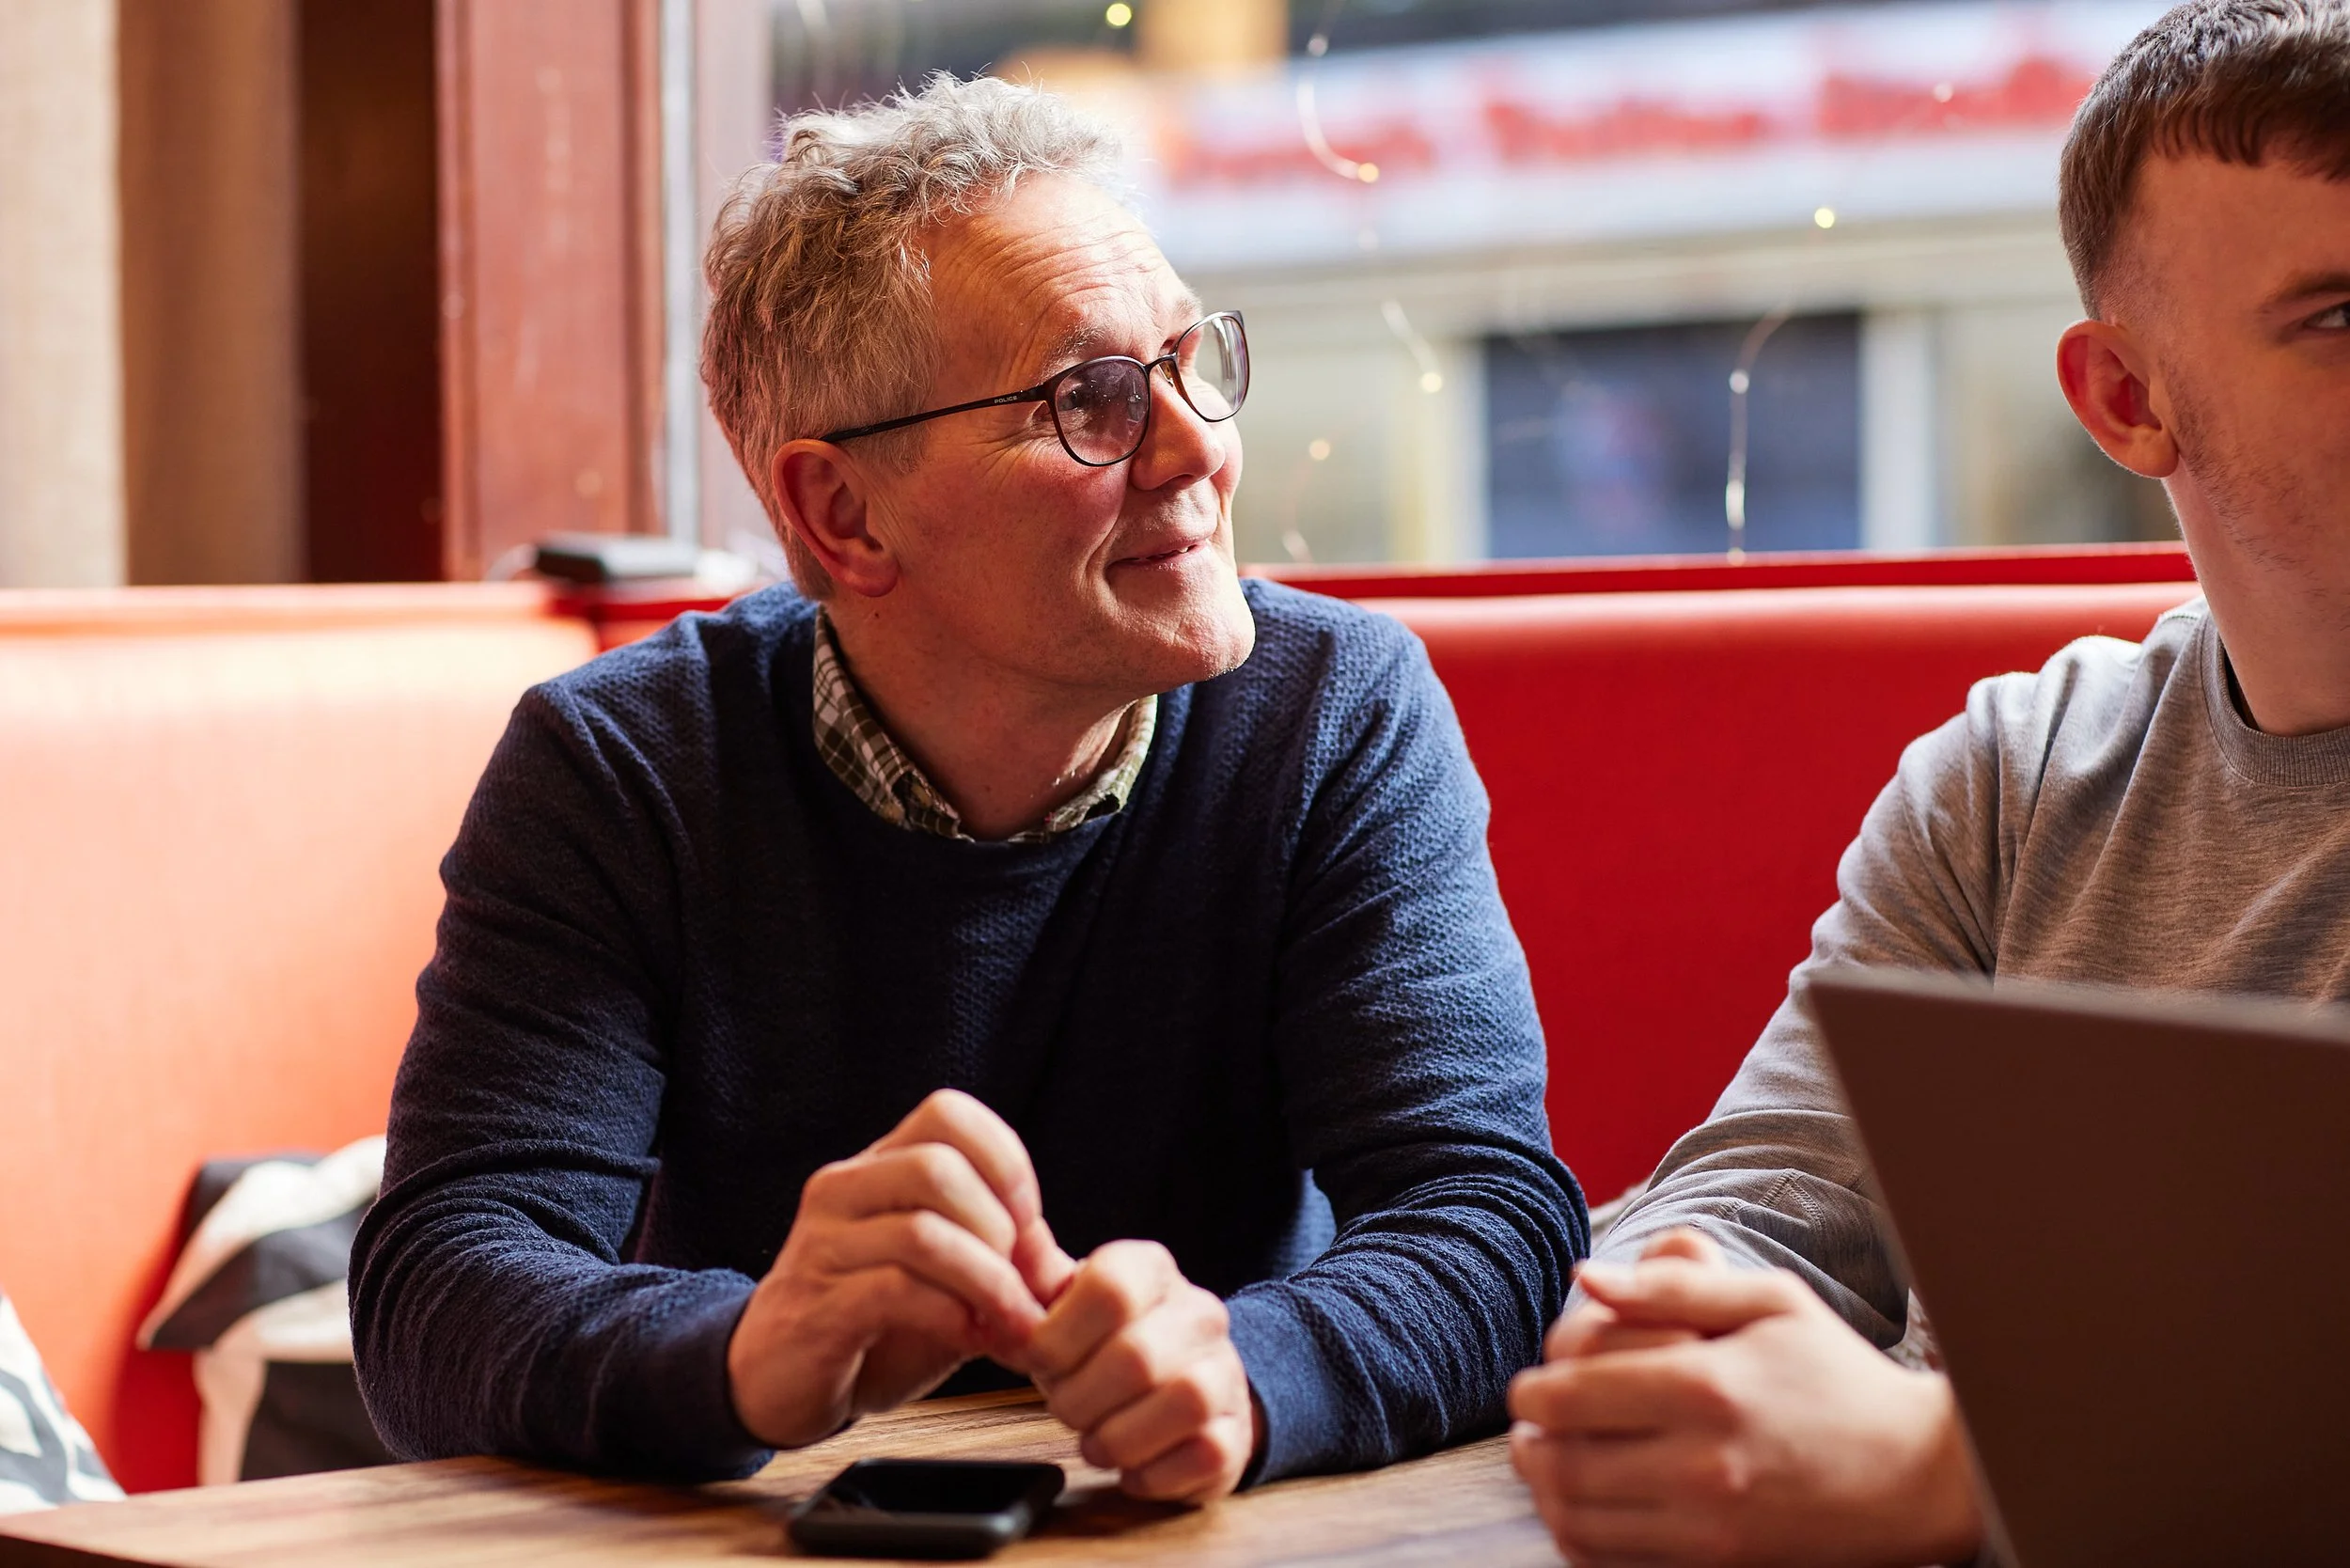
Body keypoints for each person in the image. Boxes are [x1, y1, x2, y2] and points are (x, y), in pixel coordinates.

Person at [351, 75, 1585, 1502]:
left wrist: (1250, 1373)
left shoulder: (1332, 713)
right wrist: (746, 1353)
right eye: (1093, 402)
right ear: (842, 514)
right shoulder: (628, 768)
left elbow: (1491, 1227)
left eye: (1191, 360)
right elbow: (437, 1293)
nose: (1197, 447)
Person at [1506, 1, 2350, 1562]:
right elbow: (1771, 1197)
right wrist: (1665, 1331)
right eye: (2342, 318)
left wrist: (1951, 1470)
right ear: (2123, 401)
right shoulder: (2019, 776)